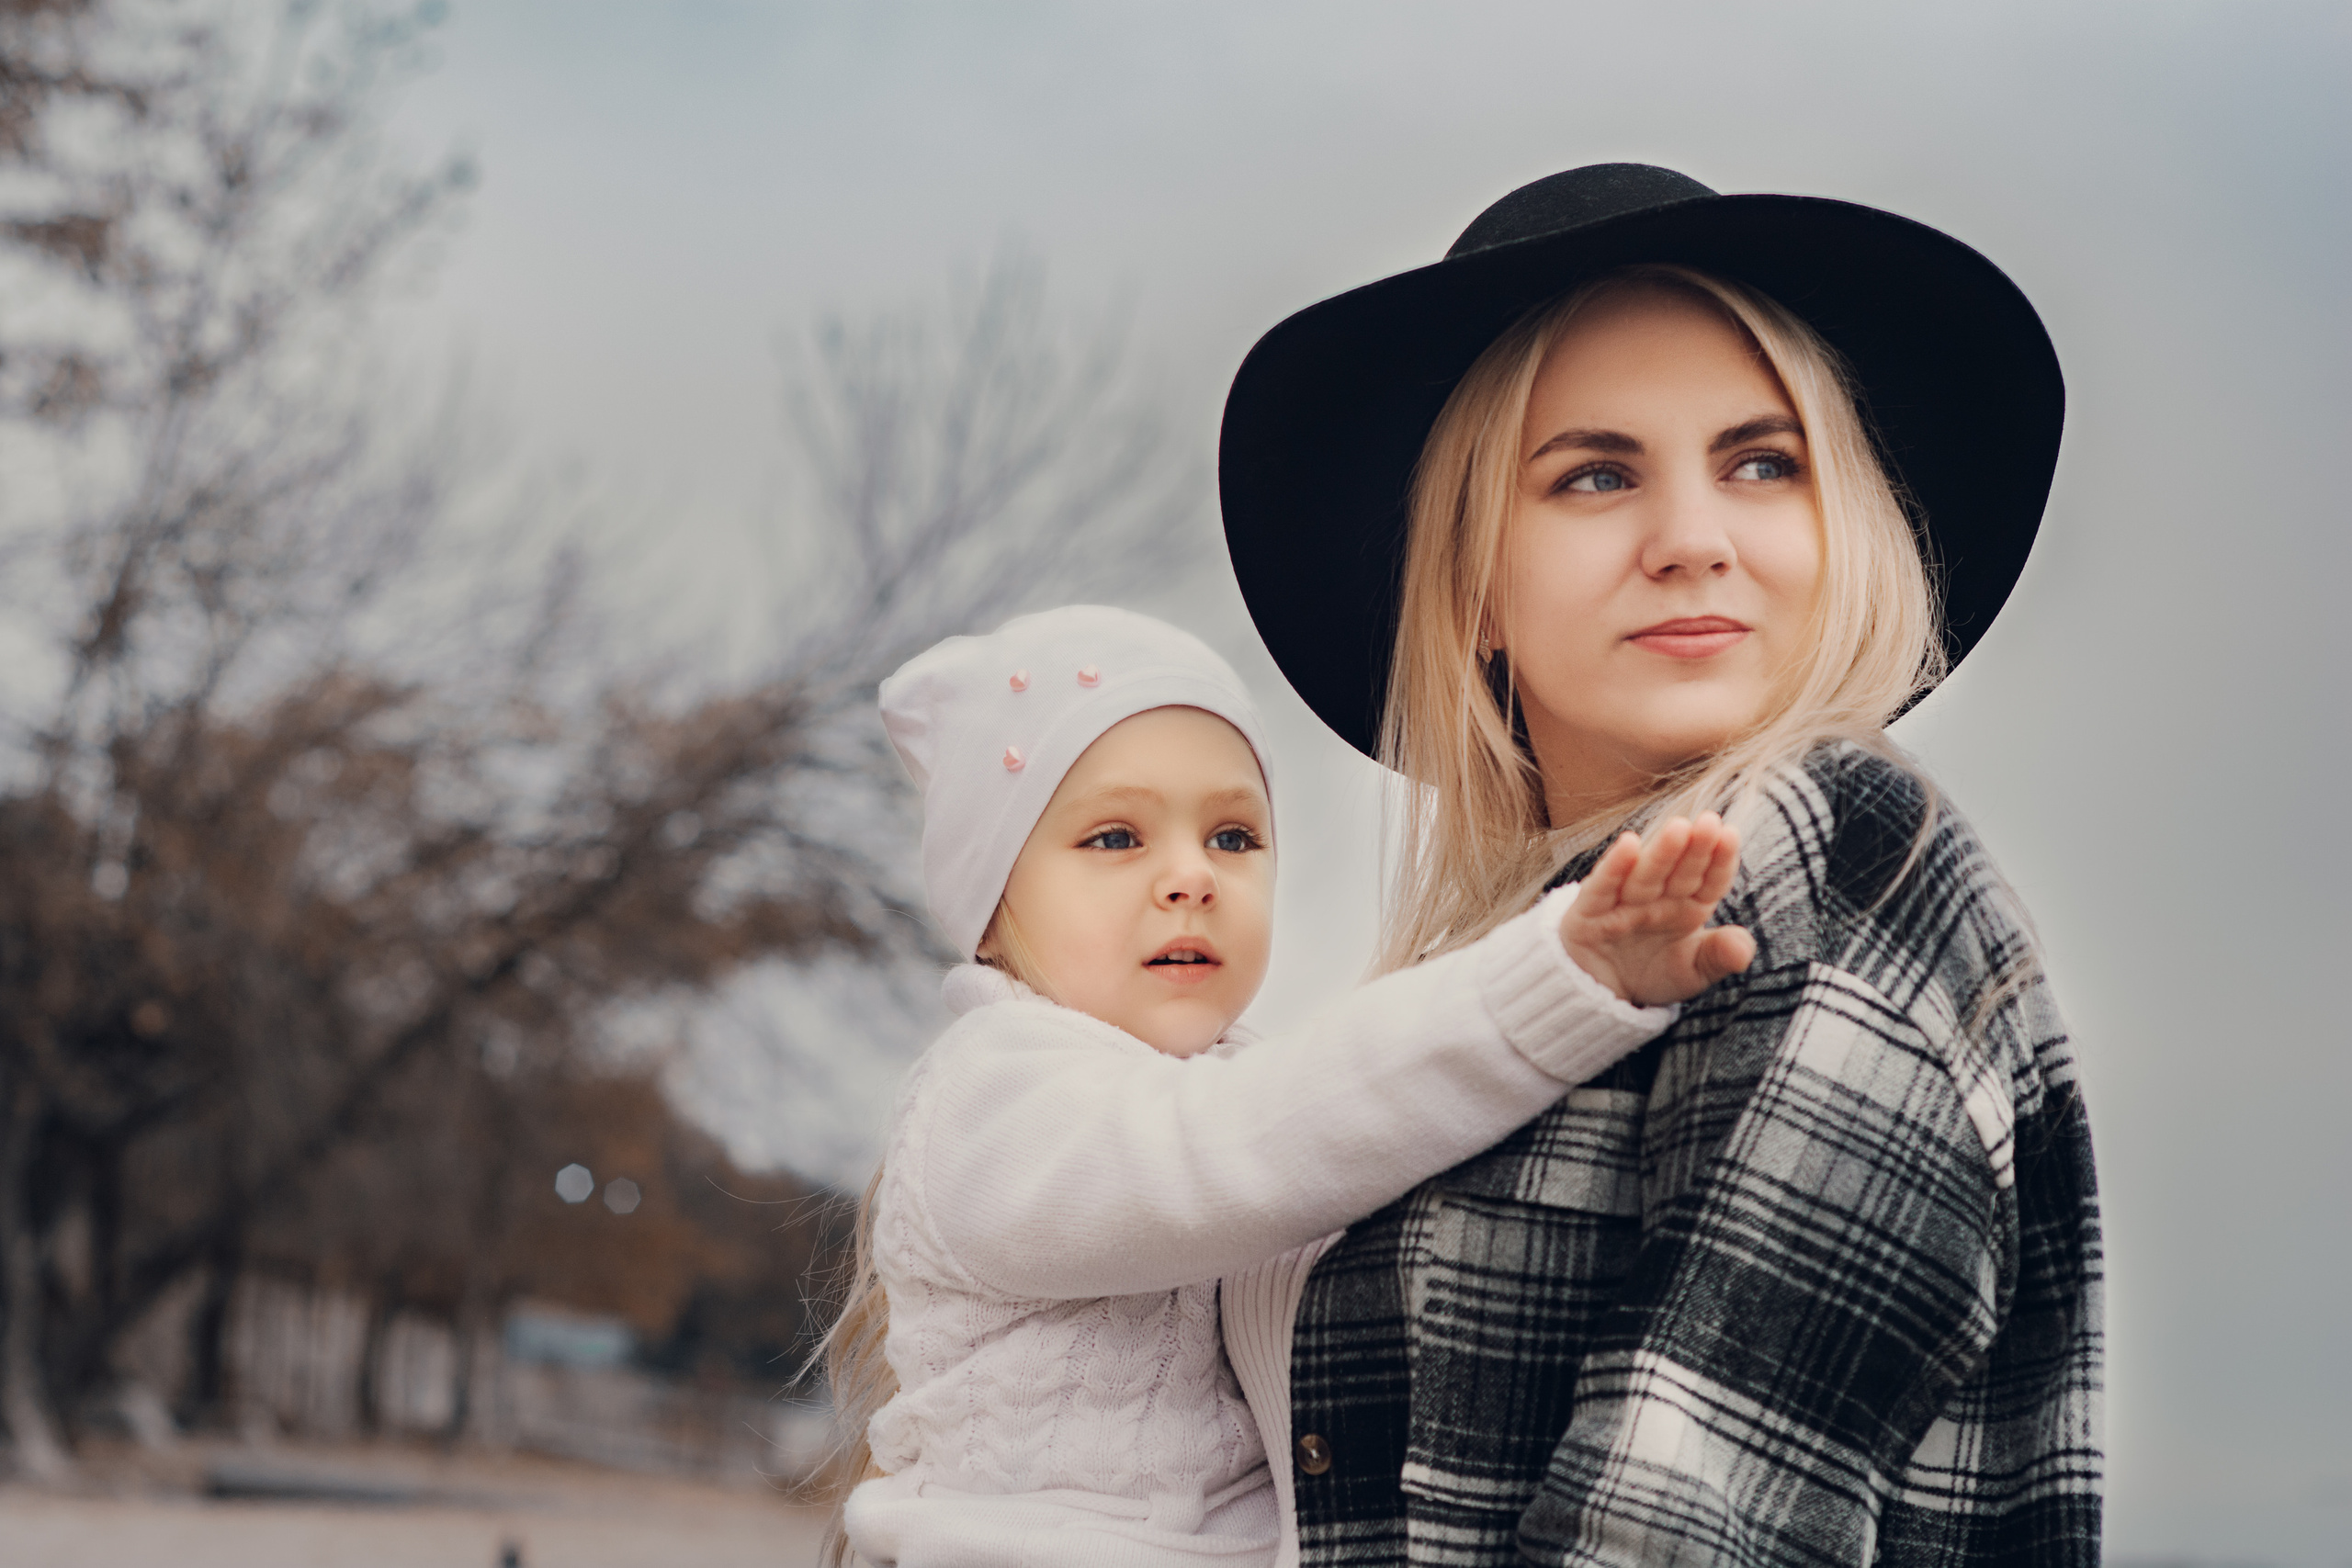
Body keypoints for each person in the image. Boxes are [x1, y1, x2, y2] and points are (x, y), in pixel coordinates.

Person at [1217, 164, 2102, 1565]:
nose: (1692, 540)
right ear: (1472, 589)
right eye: (1596, 473)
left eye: (1764, 461)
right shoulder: (1504, 978)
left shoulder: (1835, 852)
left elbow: (1672, 1532)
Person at [825, 604, 1757, 1568]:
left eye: (1232, 837)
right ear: (987, 909)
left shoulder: (1236, 1090)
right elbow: (1232, 1154)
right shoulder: (989, 1097)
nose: (1190, 876)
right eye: (1113, 838)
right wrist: (1549, 985)